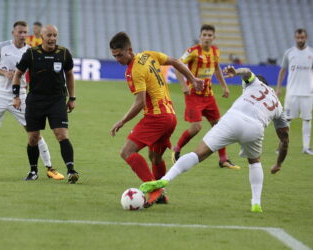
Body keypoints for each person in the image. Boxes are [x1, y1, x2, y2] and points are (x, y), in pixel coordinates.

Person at [140, 66, 289, 213]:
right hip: (255, 128)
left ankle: (165, 179)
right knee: (255, 162)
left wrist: (236, 72)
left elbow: (247, 72)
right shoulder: (279, 106)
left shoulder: (254, 83)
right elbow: (284, 140)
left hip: (233, 118)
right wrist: (278, 164)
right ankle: (256, 204)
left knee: (198, 153)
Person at [109, 32, 204, 207]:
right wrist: (192, 78)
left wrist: (121, 121)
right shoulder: (148, 55)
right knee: (155, 157)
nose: (117, 59)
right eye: (114, 56)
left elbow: (140, 102)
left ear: (129, 50)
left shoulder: (133, 71)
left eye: (120, 55)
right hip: (170, 117)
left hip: (156, 118)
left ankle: (155, 190)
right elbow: (175, 61)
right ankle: (161, 194)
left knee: (127, 152)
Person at [0, 21, 61, 180]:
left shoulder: (30, 51)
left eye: (25, 32)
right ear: (13, 33)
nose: (23, 35)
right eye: (20, 32)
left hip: (21, 96)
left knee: (33, 132)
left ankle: (50, 168)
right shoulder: (2, 48)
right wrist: (4, 73)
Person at [12, 24, 79, 184]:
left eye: (55, 35)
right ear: (42, 37)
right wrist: (16, 96)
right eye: (49, 35)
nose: (52, 39)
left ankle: (71, 171)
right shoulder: (32, 53)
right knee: (33, 138)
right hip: (36, 101)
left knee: (62, 134)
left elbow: (69, 75)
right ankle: (33, 171)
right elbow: (18, 74)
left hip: (57, 100)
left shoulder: (63, 53)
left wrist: (72, 98)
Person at [172, 24, 240, 169]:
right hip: (193, 95)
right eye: (204, 35)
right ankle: (177, 149)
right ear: (200, 36)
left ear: (214, 37)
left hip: (208, 96)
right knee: (196, 127)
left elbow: (216, 68)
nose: (207, 38)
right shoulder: (193, 51)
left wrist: (224, 86)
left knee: (220, 126)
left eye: (210, 35)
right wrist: (184, 85)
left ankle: (223, 159)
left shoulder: (216, 51)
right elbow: (177, 64)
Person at [276, 28, 313, 155]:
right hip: (292, 93)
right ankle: (282, 145)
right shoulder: (289, 53)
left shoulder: (311, 53)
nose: (300, 40)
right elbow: (282, 71)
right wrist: (279, 88)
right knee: (287, 120)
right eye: (298, 38)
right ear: (295, 38)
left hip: (308, 93)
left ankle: (306, 148)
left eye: (302, 37)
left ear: (306, 38)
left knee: (307, 119)